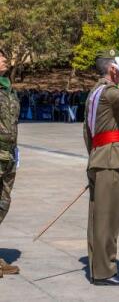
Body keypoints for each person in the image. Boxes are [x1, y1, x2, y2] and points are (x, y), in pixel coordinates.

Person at [83, 50, 119, 285]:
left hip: (101, 158)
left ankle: (99, 267)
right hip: (112, 161)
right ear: (113, 69)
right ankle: (105, 271)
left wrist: (94, 158)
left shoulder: (94, 93)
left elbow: (87, 132)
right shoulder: (108, 92)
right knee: (109, 218)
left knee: (98, 218)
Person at [0, 48, 21, 277]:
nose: (5, 58)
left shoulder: (8, 89)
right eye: (1, 56)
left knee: (3, 203)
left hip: (9, 155)